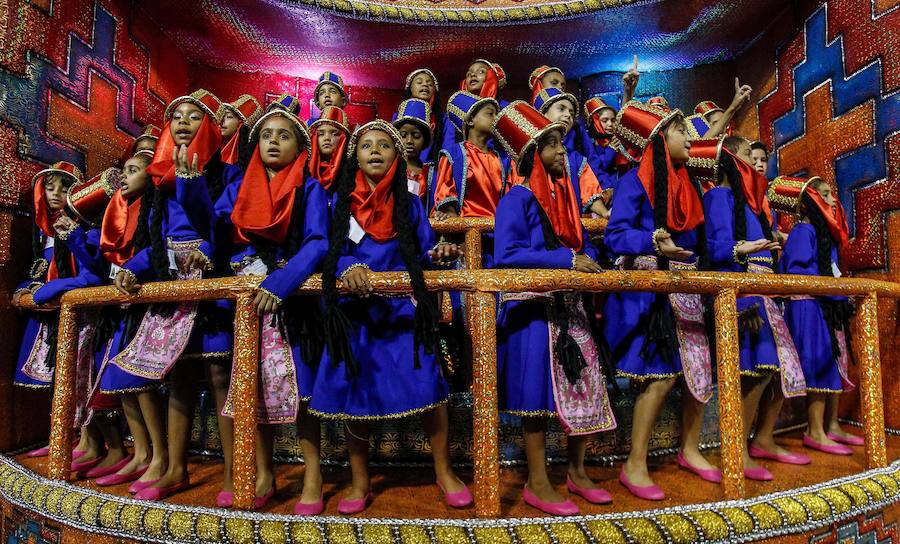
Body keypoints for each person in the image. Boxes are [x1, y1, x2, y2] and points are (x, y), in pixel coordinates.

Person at [310, 120, 471, 514]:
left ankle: (444, 470)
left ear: (397, 156)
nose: (376, 150)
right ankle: (360, 482)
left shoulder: (410, 202)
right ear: (356, 157)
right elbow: (326, 250)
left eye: (384, 145)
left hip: (401, 311)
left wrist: (439, 255)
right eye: (367, 145)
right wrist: (347, 264)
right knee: (355, 395)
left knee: (430, 387)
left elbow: (423, 252)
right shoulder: (337, 202)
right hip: (355, 314)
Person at [493, 102, 616, 516]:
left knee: (584, 388)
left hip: (570, 306)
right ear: (532, 152)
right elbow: (507, 255)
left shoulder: (564, 199)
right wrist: (566, 261)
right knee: (537, 398)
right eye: (554, 147)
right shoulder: (516, 198)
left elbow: (578, 247)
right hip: (534, 312)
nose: (564, 153)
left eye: (563, 145)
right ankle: (537, 479)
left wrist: (593, 259)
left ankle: (576, 472)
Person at [111, 89, 231, 501]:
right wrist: (131, 269)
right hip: (171, 282)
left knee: (219, 375)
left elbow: (224, 230)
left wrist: (206, 251)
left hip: (211, 283)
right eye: (176, 116)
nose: (183, 121)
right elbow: (155, 243)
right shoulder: (159, 186)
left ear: (211, 128)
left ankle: (236, 473)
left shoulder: (227, 175)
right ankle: (176, 468)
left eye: (194, 116)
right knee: (179, 376)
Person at [215, 98, 330, 512]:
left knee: (301, 390)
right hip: (246, 304)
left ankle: (312, 472)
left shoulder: (310, 187)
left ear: (300, 147)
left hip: (291, 300)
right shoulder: (237, 187)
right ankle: (263, 471)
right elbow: (220, 236)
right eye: (266, 135)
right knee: (254, 388)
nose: (274, 142)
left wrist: (280, 281)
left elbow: (318, 242)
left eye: (284, 136)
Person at [603, 101, 715, 500]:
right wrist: (652, 240)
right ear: (660, 138)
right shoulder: (635, 181)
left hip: (686, 284)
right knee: (660, 374)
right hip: (650, 292)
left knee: (699, 368)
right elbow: (616, 235)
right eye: (682, 131)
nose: (690, 138)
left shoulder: (691, 183)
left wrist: (737, 251)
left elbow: (701, 241)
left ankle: (689, 449)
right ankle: (634, 464)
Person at [693, 135, 811, 477]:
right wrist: (740, 296)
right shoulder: (719, 196)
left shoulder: (752, 201)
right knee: (755, 373)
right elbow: (713, 247)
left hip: (764, 291)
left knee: (776, 370)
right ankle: (737, 448)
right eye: (746, 154)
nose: (754, 161)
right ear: (730, 158)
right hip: (744, 293)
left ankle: (761, 439)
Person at [93, 152, 172, 490]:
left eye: (134, 170)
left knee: (140, 381)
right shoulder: (119, 210)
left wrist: (132, 270)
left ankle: (159, 455)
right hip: (120, 300)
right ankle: (140, 452)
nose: (125, 176)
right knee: (122, 383)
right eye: (124, 170)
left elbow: (156, 248)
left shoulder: (155, 205)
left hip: (145, 297)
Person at [772, 176, 864, 455]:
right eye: (825, 195)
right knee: (815, 363)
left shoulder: (825, 236)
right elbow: (799, 272)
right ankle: (814, 430)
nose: (833, 200)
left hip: (823, 303)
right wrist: (836, 290)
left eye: (832, 194)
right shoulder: (803, 230)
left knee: (832, 362)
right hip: (807, 305)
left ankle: (831, 425)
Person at [533, 88, 609, 218]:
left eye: (571, 112)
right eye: (561, 109)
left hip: (571, 229)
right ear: (542, 113)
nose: (568, 115)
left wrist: (605, 213)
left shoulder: (576, 159)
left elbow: (589, 192)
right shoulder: (527, 155)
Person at [438, 59, 506, 152]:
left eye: (481, 71)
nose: (473, 75)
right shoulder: (454, 113)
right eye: (469, 74)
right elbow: (448, 146)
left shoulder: (505, 108)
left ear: (491, 77)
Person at [393, 98, 434, 203]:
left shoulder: (431, 173)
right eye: (403, 135)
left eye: (416, 136)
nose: (409, 141)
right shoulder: (390, 168)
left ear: (425, 140)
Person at [308, 106, 351, 193]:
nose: (327, 138)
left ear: (343, 139)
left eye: (335, 134)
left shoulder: (351, 172)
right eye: (321, 134)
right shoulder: (303, 168)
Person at [219, 95, 262, 165]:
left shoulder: (248, 161)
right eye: (222, 116)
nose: (222, 120)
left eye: (229, 117)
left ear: (240, 124)